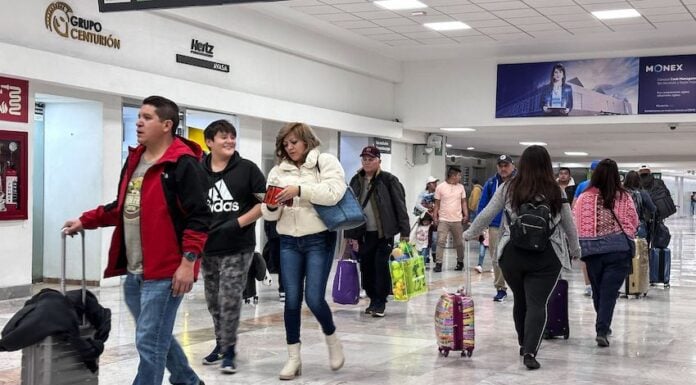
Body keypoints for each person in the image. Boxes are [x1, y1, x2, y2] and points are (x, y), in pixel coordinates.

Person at [63, 96, 209, 385]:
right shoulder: (136, 160)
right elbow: (122, 206)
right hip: (135, 270)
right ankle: (188, 381)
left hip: (167, 272)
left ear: (167, 125)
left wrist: (188, 263)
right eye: (139, 116)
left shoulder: (183, 165)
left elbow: (200, 218)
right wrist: (86, 220)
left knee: (148, 342)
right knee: (155, 336)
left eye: (147, 117)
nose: (139, 122)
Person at [464, 145, 580, 370]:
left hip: (512, 254)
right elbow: (569, 224)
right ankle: (530, 351)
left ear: (522, 164)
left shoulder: (509, 187)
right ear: (547, 165)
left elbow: (487, 213)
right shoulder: (556, 190)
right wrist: (575, 250)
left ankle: (522, 342)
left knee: (520, 299)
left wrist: (469, 233)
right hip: (547, 256)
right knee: (537, 303)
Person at [261, 122, 347, 380]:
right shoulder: (278, 171)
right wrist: (275, 205)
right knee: (292, 300)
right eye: (285, 144)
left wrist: (300, 191)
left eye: (294, 142)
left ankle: (332, 338)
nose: (289, 148)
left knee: (314, 298)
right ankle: (293, 358)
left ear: (307, 141)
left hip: (319, 239)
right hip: (288, 240)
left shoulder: (325, 162)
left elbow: (334, 193)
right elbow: (267, 212)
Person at [199, 120, 266, 373]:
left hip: (238, 246)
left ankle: (229, 350)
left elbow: (265, 204)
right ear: (209, 142)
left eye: (232, 137)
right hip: (208, 247)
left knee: (229, 299)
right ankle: (220, 343)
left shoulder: (248, 169)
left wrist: (237, 223)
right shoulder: (197, 170)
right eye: (223, 137)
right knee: (213, 301)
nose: (229, 141)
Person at [573, 159, 638, 348]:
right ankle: (602, 328)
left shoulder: (585, 197)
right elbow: (633, 221)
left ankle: (602, 324)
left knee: (598, 290)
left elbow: (576, 221)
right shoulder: (623, 196)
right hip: (618, 250)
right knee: (609, 292)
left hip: (592, 251)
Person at [346, 145, 410, 317]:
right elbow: (350, 207)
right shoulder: (356, 180)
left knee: (381, 268)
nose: (367, 162)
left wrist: (405, 232)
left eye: (371, 159)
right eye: (364, 159)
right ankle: (372, 298)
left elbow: (400, 206)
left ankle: (380, 302)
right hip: (363, 234)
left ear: (379, 161)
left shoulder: (389, 180)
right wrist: (350, 235)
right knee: (366, 268)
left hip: (384, 234)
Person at [478, 155, 516, 301]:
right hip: (495, 225)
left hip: (515, 226)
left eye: (506, 165)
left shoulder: (520, 182)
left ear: (512, 166)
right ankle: (500, 288)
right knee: (496, 257)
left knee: (516, 257)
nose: (503, 168)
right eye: (500, 166)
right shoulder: (492, 183)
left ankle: (520, 287)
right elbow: (483, 205)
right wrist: (479, 227)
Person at [432, 167, 469, 273]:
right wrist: (435, 217)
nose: (460, 177)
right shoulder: (440, 187)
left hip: (457, 219)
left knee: (459, 243)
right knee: (440, 242)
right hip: (443, 219)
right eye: (459, 175)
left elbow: (463, 202)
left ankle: (460, 262)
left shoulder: (461, 187)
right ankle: (438, 264)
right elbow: (437, 204)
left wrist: (466, 214)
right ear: (453, 176)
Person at [574, 160, 600, 297]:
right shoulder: (608, 186)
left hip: (585, 228)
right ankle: (595, 284)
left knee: (586, 258)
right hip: (600, 228)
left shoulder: (582, 186)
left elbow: (574, 206)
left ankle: (589, 285)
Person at [623, 170, 656, 239]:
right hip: (639, 226)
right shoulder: (642, 193)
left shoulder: (621, 193)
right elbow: (653, 208)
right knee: (640, 248)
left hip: (622, 227)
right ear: (638, 180)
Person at [414, 176, 439, 263]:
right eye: (433, 183)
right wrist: (426, 210)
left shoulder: (438, 194)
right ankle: (426, 256)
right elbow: (417, 205)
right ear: (428, 184)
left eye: (436, 182)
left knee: (435, 238)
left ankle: (434, 254)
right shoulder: (423, 194)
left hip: (435, 219)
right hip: (425, 220)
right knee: (425, 237)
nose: (435, 184)